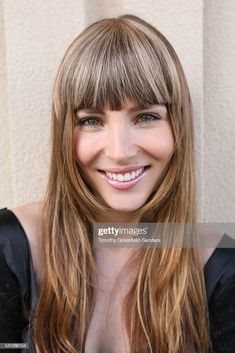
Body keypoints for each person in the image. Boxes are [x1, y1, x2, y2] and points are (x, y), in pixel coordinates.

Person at [0, 14, 235, 353]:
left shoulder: (222, 262)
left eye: (146, 116)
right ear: (65, 133)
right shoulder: (10, 245)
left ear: (177, 128)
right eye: (92, 120)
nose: (120, 151)